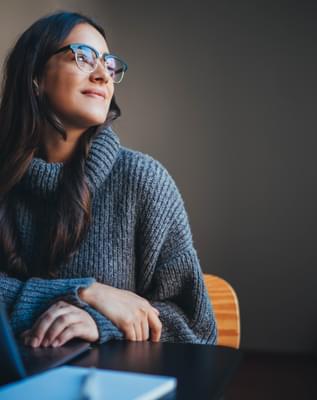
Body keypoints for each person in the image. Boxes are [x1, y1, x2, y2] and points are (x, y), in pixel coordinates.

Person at [0, 11, 216, 348]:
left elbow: (196, 327)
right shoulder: (5, 183)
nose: (103, 75)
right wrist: (86, 292)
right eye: (83, 57)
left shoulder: (143, 182)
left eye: (109, 64)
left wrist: (102, 322)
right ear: (36, 77)